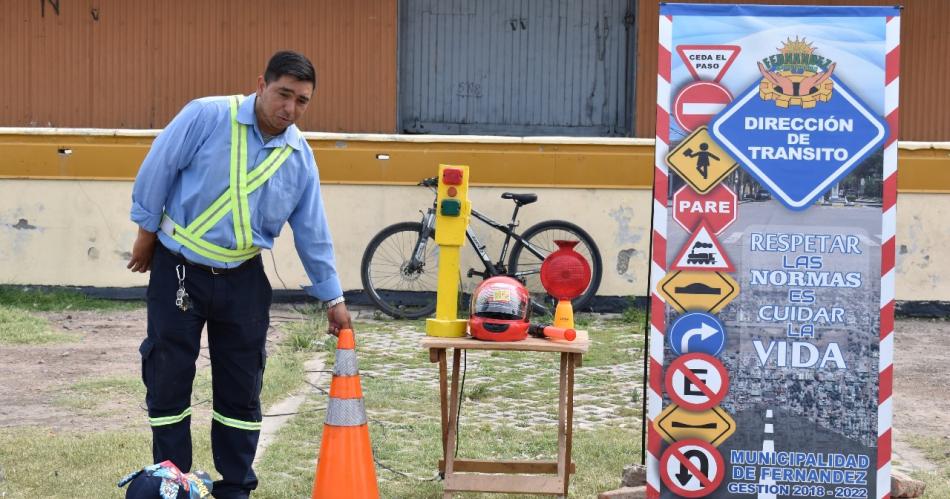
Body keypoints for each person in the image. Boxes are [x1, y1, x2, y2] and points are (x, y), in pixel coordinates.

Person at [126, 50, 351, 499]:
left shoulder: (299, 157)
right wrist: (146, 232)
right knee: (168, 376)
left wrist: (333, 298)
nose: (290, 108)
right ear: (261, 85)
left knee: (242, 386)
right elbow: (158, 167)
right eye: (283, 94)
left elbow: (312, 232)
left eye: (302, 101)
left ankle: (236, 488)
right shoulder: (207, 115)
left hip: (244, 278)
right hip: (179, 269)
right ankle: (175, 482)